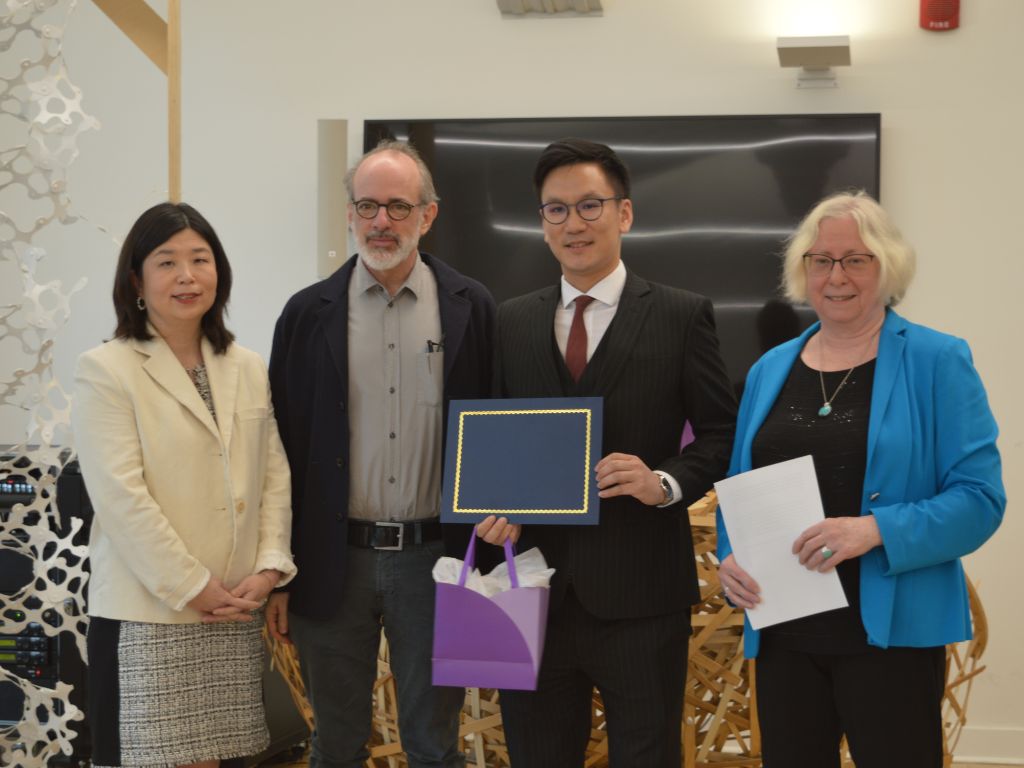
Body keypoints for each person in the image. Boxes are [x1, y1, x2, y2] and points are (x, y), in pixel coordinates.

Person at [716, 191, 1005, 768]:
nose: (836, 276)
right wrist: (730, 558)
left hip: (892, 634)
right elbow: (738, 486)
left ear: (887, 266)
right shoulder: (770, 368)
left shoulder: (937, 359)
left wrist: (873, 531)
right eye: (821, 260)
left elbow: (980, 501)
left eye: (855, 259)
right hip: (785, 634)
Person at [478, 138, 737, 767]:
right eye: (556, 210)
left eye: (589, 205)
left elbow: (721, 435)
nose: (574, 224)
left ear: (624, 213)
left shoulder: (681, 315)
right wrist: (489, 506)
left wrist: (663, 483)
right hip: (531, 590)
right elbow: (489, 440)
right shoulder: (510, 321)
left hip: (642, 594)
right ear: (542, 224)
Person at [266, 140, 495, 768]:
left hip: (437, 558)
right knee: (335, 744)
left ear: (428, 214)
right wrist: (279, 571)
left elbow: (496, 423)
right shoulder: (305, 315)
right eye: (367, 206)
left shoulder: (471, 307)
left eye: (398, 206)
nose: (381, 221)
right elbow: (278, 453)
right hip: (330, 562)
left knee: (434, 745)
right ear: (350, 213)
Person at [73, 202, 296, 767]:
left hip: (233, 606)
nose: (187, 276)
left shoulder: (246, 364)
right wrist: (192, 584)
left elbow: (273, 475)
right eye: (167, 262)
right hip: (152, 610)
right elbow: (120, 498)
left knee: (220, 759)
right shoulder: (107, 369)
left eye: (200, 259)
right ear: (137, 281)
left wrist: (270, 567)